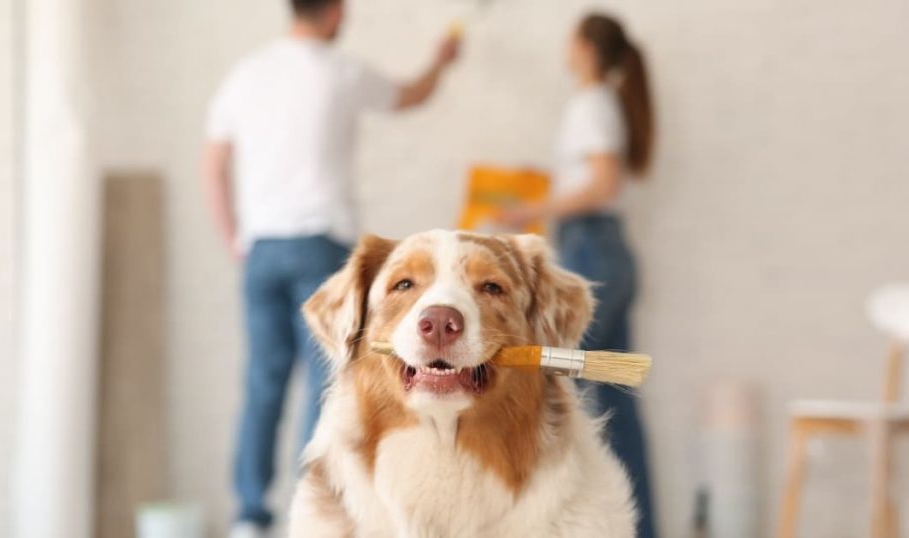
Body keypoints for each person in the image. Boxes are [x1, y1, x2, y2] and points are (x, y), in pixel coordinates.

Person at [202, 0, 460, 535]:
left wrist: (233, 238)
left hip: (262, 250)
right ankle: (311, 513)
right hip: (321, 249)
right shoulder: (342, 71)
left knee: (262, 383)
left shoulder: (247, 74)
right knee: (329, 385)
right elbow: (413, 94)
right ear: (336, 12)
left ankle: (249, 516)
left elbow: (213, 162)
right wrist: (441, 60)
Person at [497, 12, 658, 538]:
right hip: (604, 252)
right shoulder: (602, 104)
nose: (565, 48)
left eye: (571, 39)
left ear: (587, 48)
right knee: (615, 399)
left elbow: (604, 182)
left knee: (547, 387)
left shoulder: (591, 104)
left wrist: (530, 212)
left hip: (593, 253)